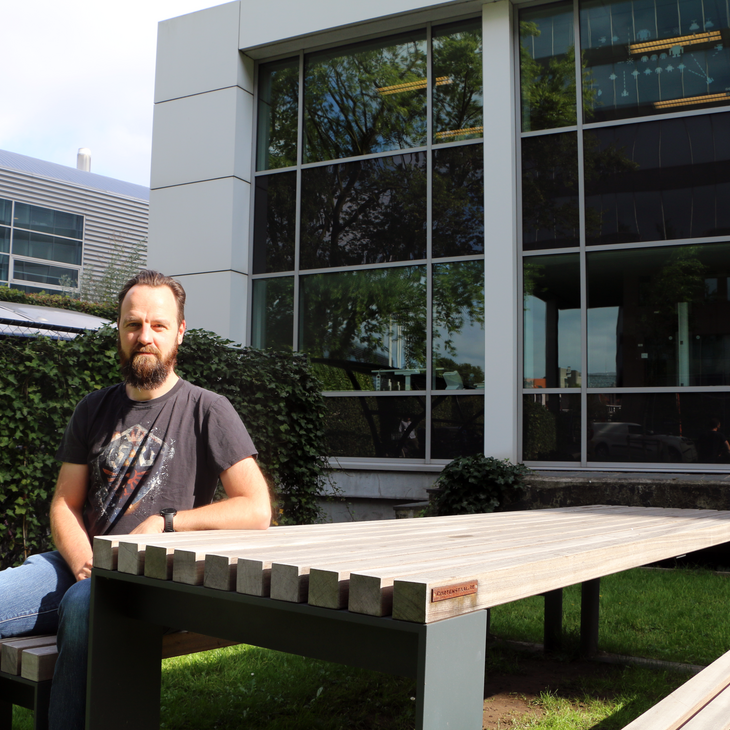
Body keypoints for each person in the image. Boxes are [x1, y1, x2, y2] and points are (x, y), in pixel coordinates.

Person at [0, 270, 271, 730]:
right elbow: (64, 504)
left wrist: (165, 523)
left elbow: (256, 507)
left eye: (158, 325)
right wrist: (84, 558)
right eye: (133, 325)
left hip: (155, 579)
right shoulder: (93, 408)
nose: (144, 336)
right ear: (120, 331)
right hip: (80, 565)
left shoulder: (208, 409)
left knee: (87, 605)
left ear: (179, 332)